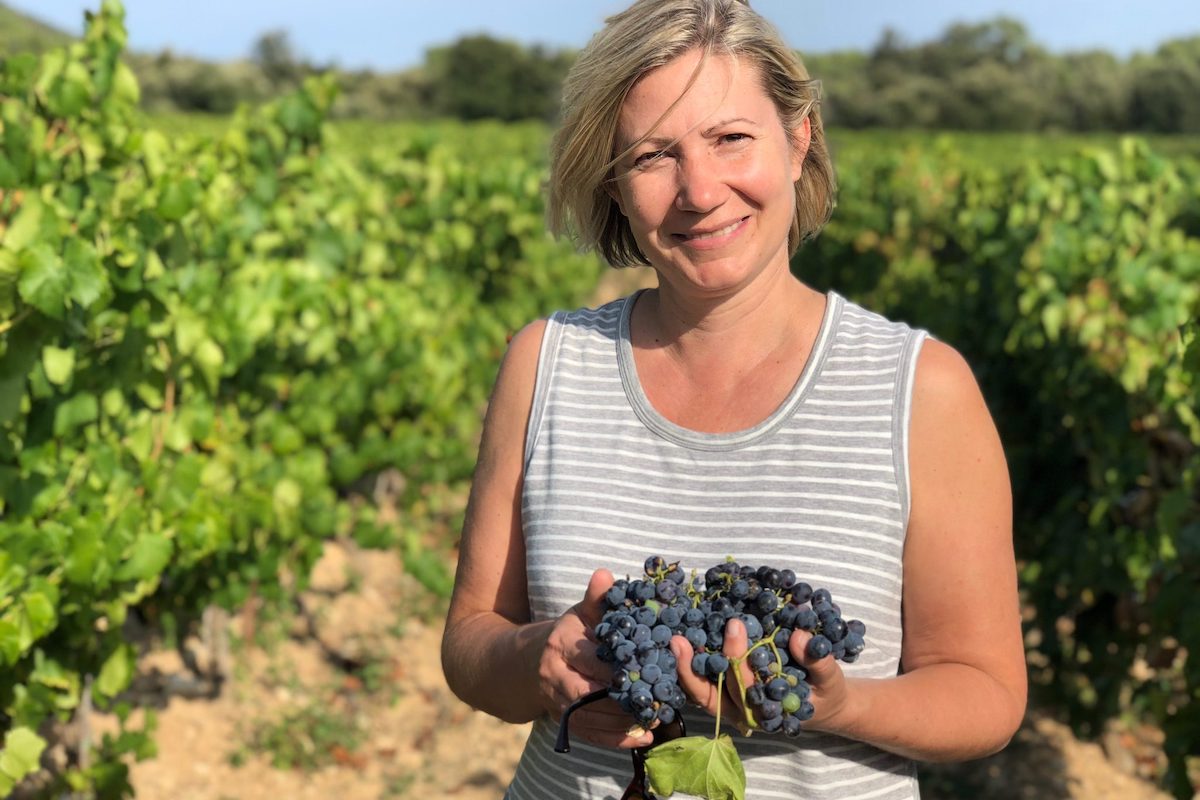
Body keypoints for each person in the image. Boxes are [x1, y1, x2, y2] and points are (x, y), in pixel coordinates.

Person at [441, 0, 1028, 797]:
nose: (699, 189)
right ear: (613, 186)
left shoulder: (919, 388)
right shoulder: (546, 363)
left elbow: (987, 694)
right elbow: (470, 645)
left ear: (797, 139)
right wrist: (539, 660)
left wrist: (834, 704)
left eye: (730, 139)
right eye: (652, 156)